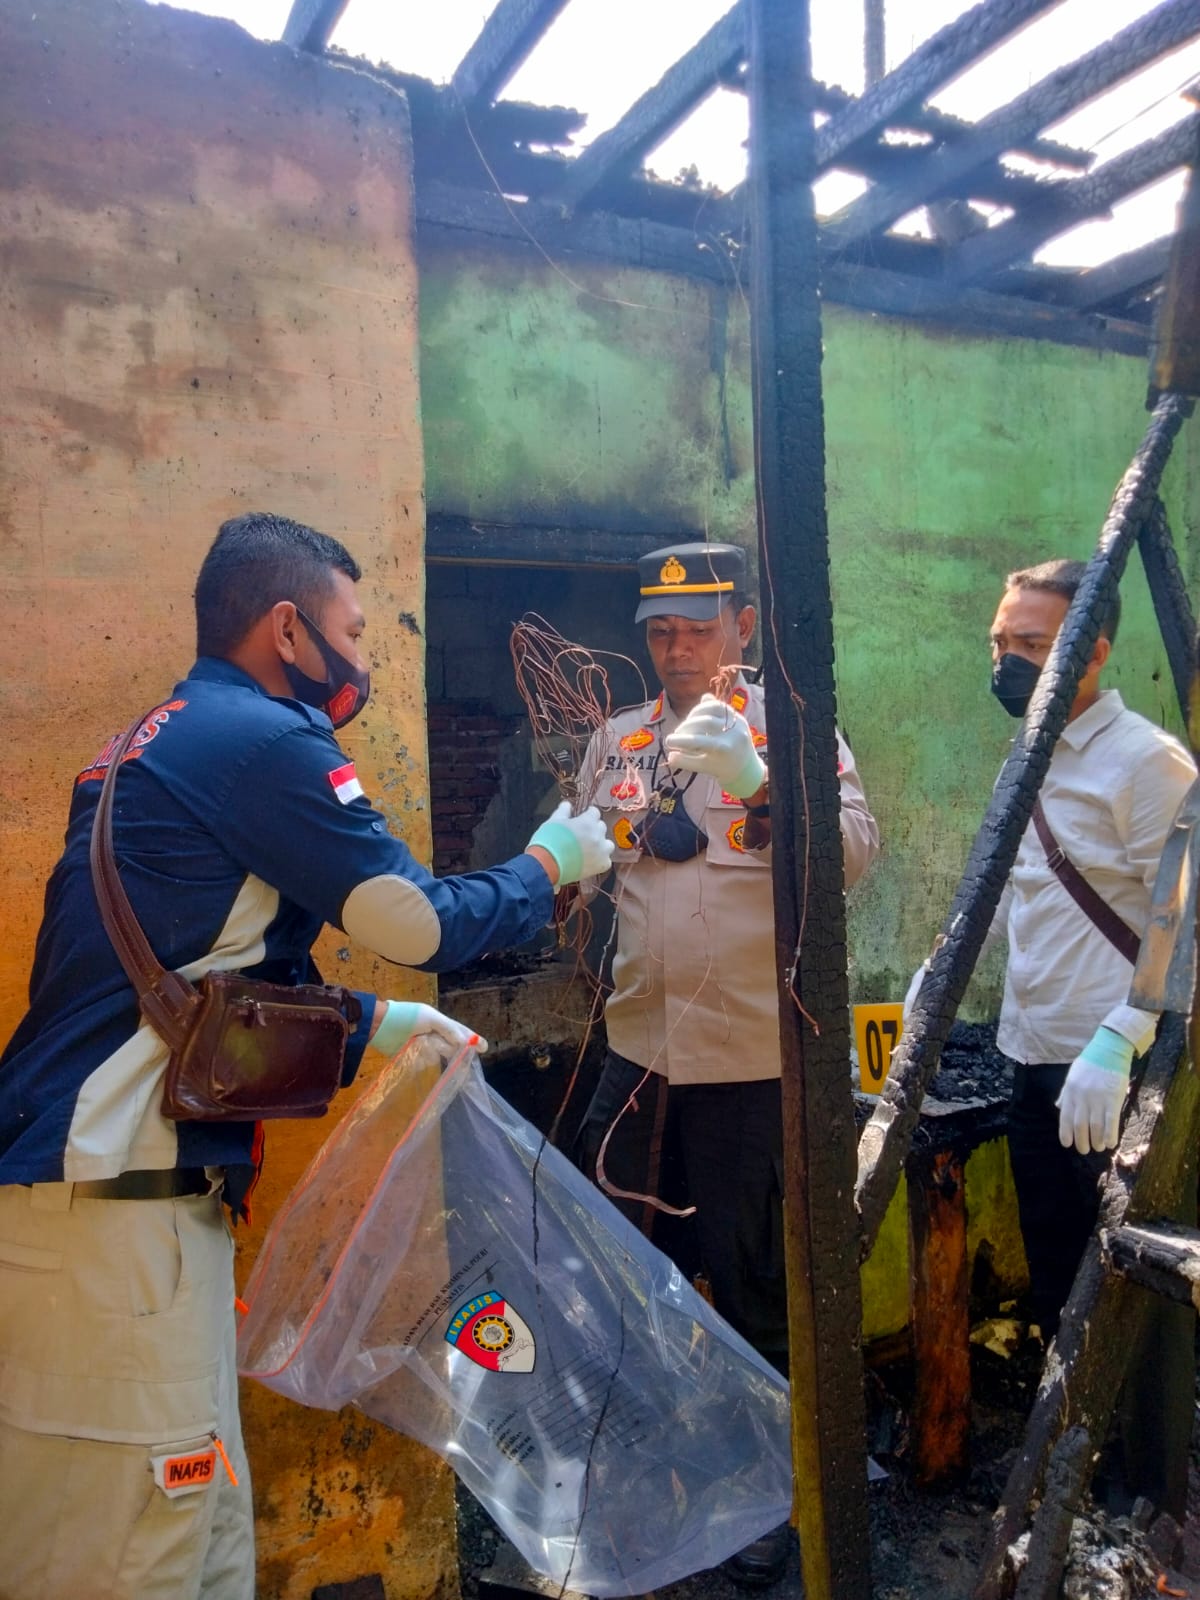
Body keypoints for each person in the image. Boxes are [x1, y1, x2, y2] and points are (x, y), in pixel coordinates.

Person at [0, 512, 612, 1600]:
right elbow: (418, 923)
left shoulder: (166, 736)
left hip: (119, 1209)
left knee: (195, 1527)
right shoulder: (266, 743)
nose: (367, 661)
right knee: (135, 1546)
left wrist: (375, 1026)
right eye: (358, 632)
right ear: (288, 628)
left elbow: (190, 980)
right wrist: (547, 863)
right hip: (109, 1217)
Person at [573, 541, 880, 1587]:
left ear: (743, 624)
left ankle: (775, 1505)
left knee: (755, 1286)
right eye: (659, 628)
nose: (677, 646)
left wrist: (761, 792)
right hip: (639, 1047)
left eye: (699, 625)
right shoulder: (620, 736)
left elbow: (852, 854)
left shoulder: (790, 730)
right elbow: (590, 851)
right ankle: (658, 1476)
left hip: (750, 1060)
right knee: (621, 1269)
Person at [907, 557, 1196, 1517]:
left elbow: (1188, 917)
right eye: (1001, 643)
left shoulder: (1146, 763)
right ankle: (1079, 1459)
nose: (1007, 660)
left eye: (1030, 645)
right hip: (1033, 1061)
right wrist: (939, 972)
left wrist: (1125, 1030)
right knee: (1059, 1268)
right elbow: (1009, 888)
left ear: (1094, 651)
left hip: (1116, 1073)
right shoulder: (1028, 756)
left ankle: (1151, 1483)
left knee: (1134, 1282)